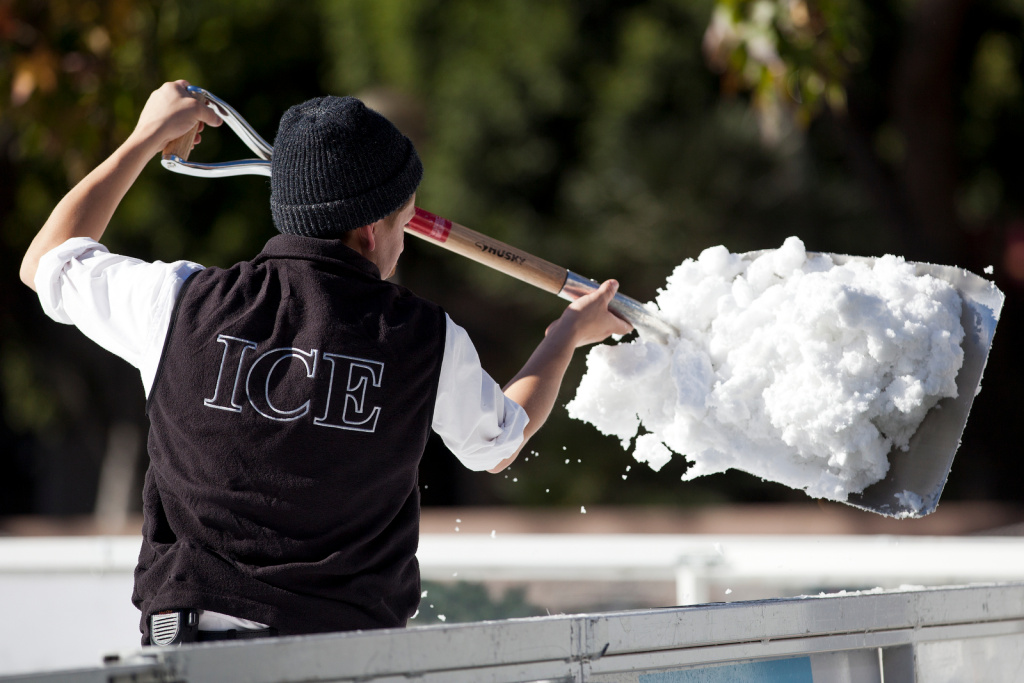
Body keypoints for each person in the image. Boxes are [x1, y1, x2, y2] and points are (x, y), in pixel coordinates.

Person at [19, 80, 632, 645]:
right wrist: (566, 336)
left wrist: (145, 136)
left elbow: (47, 259)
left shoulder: (180, 303)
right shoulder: (425, 339)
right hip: (344, 656)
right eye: (404, 219)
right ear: (370, 232)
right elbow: (499, 443)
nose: (403, 238)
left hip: (186, 650)